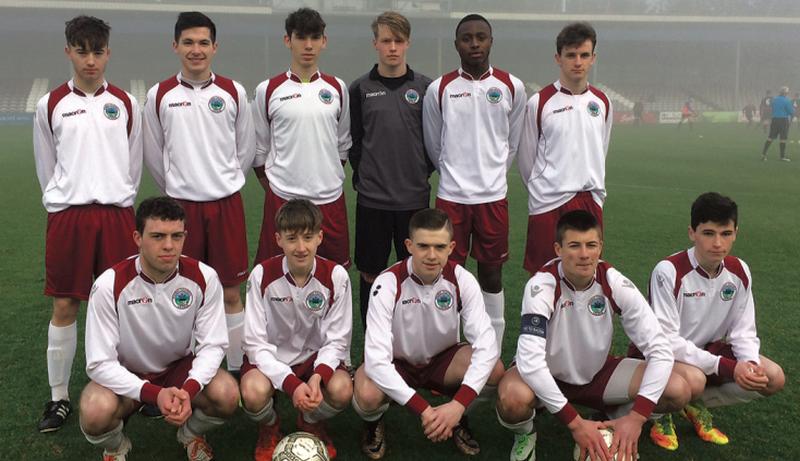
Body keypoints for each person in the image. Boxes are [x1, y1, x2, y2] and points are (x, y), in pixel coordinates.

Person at [496, 210, 690, 461]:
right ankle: (525, 433)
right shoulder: (541, 285)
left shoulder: (613, 282)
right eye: (574, 246)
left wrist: (637, 417)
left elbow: (660, 349)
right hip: (548, 374)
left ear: (601, 248)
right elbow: (530, 362)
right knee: (512, 399)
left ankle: (612, 422)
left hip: (597, 374)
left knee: (678, 389)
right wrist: (574, 424)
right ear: (558, 249)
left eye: (591, 245)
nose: (584, 254)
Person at [32, 15, 142, 432]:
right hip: (70, 216)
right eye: (82, 51)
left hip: (116, 215)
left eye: (97, 51)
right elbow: (48, 166)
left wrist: (117, 196)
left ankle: (131, 388)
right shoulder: (51, 104)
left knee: (125, 306)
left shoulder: (128, 103)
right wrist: (63, 202)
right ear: (68, 52)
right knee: (65, 304)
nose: (90, 60)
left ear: (108, 53)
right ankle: (59, 398)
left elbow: (132, 166)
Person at [78, 197, 239, 461]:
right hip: (127, 372)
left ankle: (191, 434)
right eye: (157, 236)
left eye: (177, 236)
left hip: (178, 369)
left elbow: (213, 345)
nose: (168, 245)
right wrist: (154, 394)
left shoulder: (204, 277)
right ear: (137, 238)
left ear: (185, 236)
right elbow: (98, 363)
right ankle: (116, 447)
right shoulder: (110, 284)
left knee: (227, 394)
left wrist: (188, 389)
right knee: (95, 410)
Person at [143, 11, 255, 377]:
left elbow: (246, 150)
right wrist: (178, 189)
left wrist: (221, 181)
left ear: (215, 47)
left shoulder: (233, 91)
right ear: (175, 46)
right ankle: (182, 370)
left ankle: (237, 367)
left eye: (203, 42)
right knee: (181, 293)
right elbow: (154, 155)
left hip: (225, 206)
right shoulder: (159, 95)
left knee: (230, 291)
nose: (196, 50)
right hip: (181, 210)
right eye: (188, 42)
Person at [638, 192, 785, 451]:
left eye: (726, 233)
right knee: (694, 379)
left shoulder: (739, 270)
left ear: (736, 232)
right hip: (663, 357)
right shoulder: (669, 270)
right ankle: (660, 415)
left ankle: (694, 405)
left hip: (707, 353)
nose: (718, 243)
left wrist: (749, 363)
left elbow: (744, 330)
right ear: (692, 232)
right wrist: (727, 367)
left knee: (772, 377)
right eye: (708, 233)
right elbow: (666, 341)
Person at [352, 208, 503, 459]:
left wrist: (458, 404)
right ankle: (374, 422)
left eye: (440, 246)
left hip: (442, 362)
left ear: (451, 247)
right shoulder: (387, 282)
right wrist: (425, 411)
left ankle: (457, 418)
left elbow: (486, 345)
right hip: (397, 363)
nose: (432, 255)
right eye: (423, 246)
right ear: (409, 245)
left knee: (494, 369)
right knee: (367, 393)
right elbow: (377, 360)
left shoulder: (461, 279)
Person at [422, 14, 526, 353]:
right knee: (448, 276)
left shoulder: (512, 87)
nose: (475, 43)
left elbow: (511, 143)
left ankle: (490, 353)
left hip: (493, 198)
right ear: (457, 45)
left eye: (481, 37)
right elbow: (434, 144)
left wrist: (492, 174)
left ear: (491, 41)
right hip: (452, 197)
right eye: (467, 38)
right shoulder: (440, 89)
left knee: (491, 276)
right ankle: (449, 351)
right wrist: (455, 173)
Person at [240, 199, 353, 460]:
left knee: (342, 389)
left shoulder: (336, 276)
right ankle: (269, 425)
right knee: (252, 393)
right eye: (292, 238)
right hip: (272, 358)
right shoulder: (261, 275)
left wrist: (317, 376)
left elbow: (337, 340)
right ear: (278, 239)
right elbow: (255, 343)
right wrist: (290, 384)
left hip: (314, 359)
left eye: (308, 237)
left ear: (320, 237)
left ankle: (310, 420)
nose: (301, 247)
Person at [349, 11, 433, 329]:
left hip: (414, 199)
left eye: (398, 41)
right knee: (371, 272)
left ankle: (408, 342)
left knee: (415, 272)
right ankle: (374, 344)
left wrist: (417, 172)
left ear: (408, 43)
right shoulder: (360, 89)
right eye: (386, 41)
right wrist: (368, 175)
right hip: (373, 200)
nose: (393, 48)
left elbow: (433, 143)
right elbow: (354, 143)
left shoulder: (426, 88)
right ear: (376, 44)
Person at [252, 7, 352, 268]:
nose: (308, 45)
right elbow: (260, 149)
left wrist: (325, 176)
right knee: (274, 274)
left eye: (315, 37)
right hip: (283, 198)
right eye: (301, 37)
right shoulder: (268, 89)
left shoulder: (337, 88)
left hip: (329, 199)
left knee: (334, 276)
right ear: (288, 40)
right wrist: (276, 186)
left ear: (324, 41)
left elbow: (342, 144)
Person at [517, 22, 612, 277]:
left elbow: (600, 150)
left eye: (584, 55)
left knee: (586, 276)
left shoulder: (602, 102)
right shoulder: (540, 102)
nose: (577, 62)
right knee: (543, 277)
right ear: (558, 58)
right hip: (549, 202)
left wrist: (595, 196)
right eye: (570, 55)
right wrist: (542, 191)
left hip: (588, 200)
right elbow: (527, 159)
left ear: (593, 58)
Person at [760, 86, 794, 161]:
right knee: (783, 138)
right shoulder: (787, 100)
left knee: (770, 137)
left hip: (774, 120)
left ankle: (763, 154)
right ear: (786, 93)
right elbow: (791, 112)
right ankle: (782, 157)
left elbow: (771, 108)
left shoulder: (774, 100)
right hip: (783, 120)